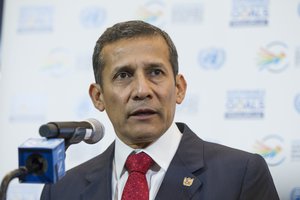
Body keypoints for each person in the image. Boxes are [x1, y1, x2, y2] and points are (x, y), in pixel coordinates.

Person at [41, 20, 279, 200]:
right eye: (123, 75)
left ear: (179, 88)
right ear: (98, 96)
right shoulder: (62, 190)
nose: (142, 90)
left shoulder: (240, 175)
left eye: (155, 72)